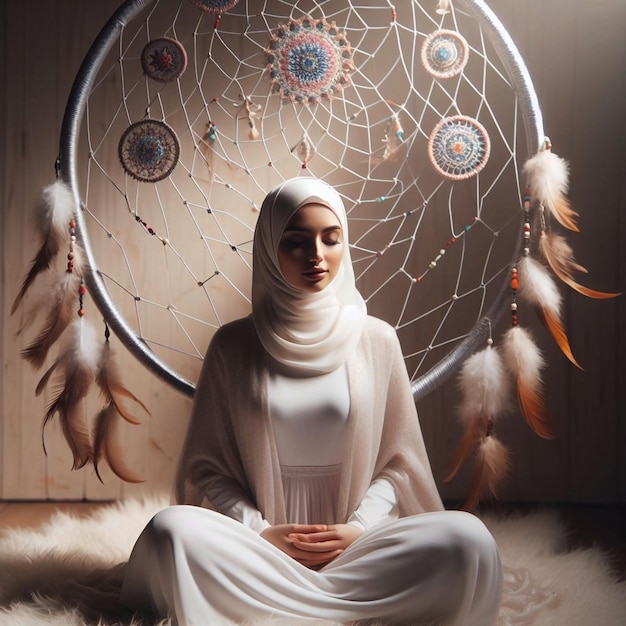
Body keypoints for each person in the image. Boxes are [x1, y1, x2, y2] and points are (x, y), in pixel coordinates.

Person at [120, 177, 503, 625]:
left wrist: (358, 530)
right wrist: (259, 532)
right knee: (171, 533)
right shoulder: (233, 345)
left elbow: (398, 464)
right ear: (268, 249)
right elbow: (207, 469)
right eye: (297, 242)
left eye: (331, 238)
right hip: (261, 552)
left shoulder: (377, 340)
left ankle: (283, 606)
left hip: (357, 549)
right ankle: (338, 606)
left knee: (468, 540)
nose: (317, 255)